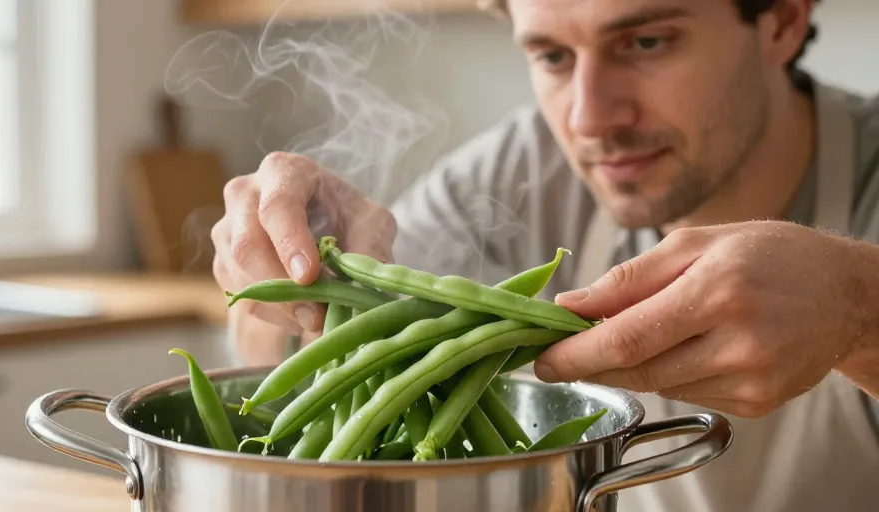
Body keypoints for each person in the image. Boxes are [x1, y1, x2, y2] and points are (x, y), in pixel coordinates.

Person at [211, 0, 879, 510]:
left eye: (646, 42)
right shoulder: (517, 173)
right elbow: (291, 360)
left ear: (783, 21)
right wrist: (299, 273)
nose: (589, 118)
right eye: (553, 57)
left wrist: (858, 305)